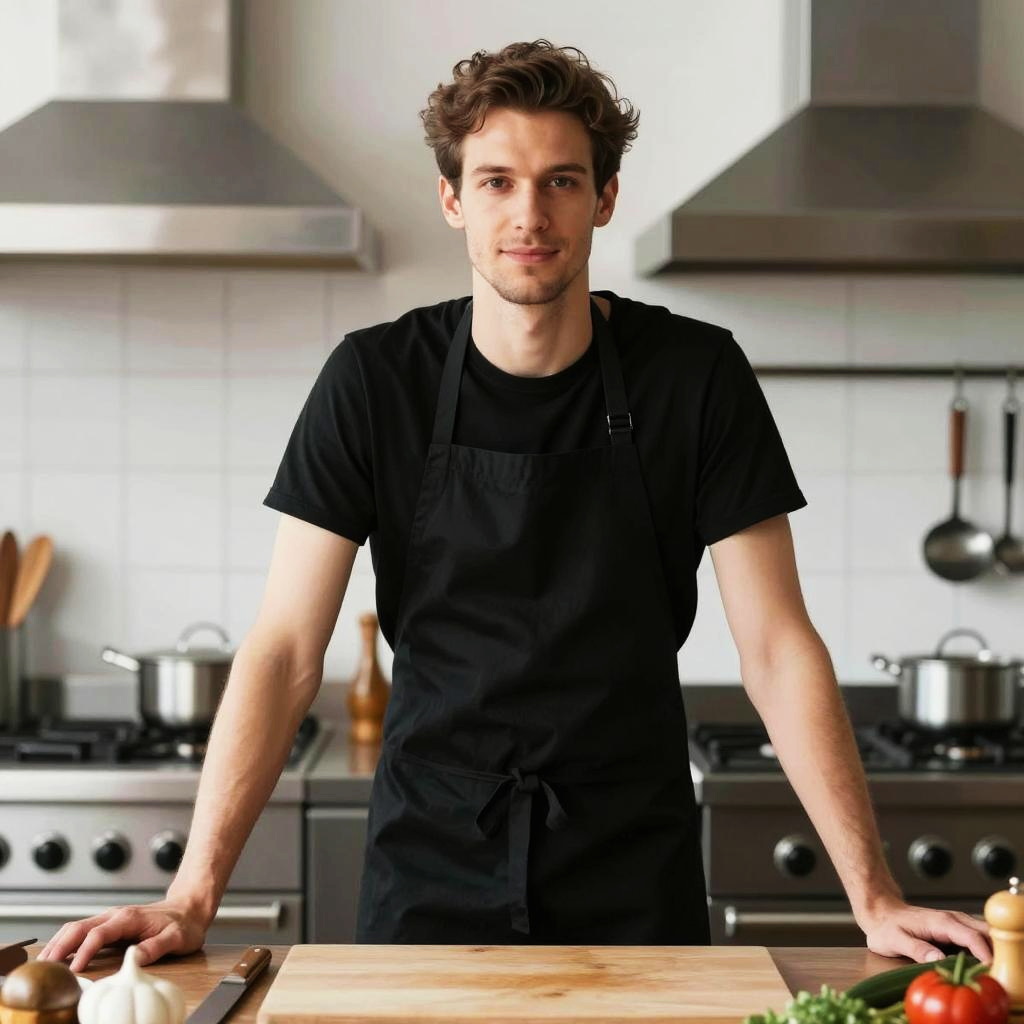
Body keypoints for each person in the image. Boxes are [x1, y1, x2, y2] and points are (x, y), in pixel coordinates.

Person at [40, 39, 991, 971]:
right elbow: (286, 648)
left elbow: (778, 647)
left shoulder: (696, 378)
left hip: (633, 865)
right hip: (431, 862)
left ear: (605, 198)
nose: (528, 214)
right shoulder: (374, 381)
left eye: (561, 182)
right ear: (453, 198)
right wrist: (193, 891)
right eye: (496, 181)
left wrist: (873, 896)